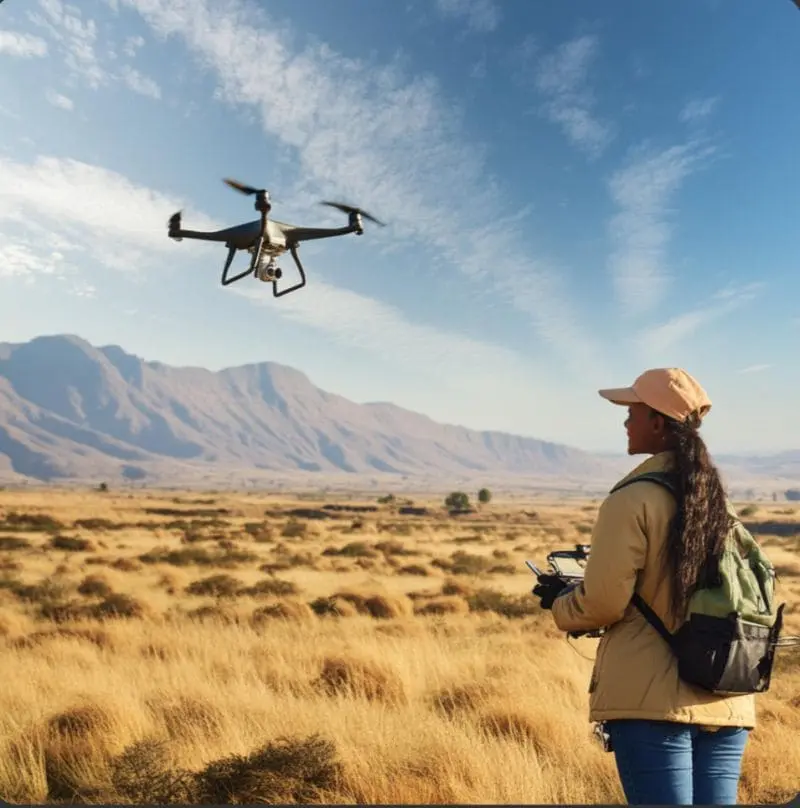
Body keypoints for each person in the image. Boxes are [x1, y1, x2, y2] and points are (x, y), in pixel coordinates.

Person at [532, 367, 754, 806]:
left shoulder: (631, 499)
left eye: (632, 411)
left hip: (652, 705)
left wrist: (561, 604)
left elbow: (603, 602)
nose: (625, 422)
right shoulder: (716, 500)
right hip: (727, 696)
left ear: (657, 421)